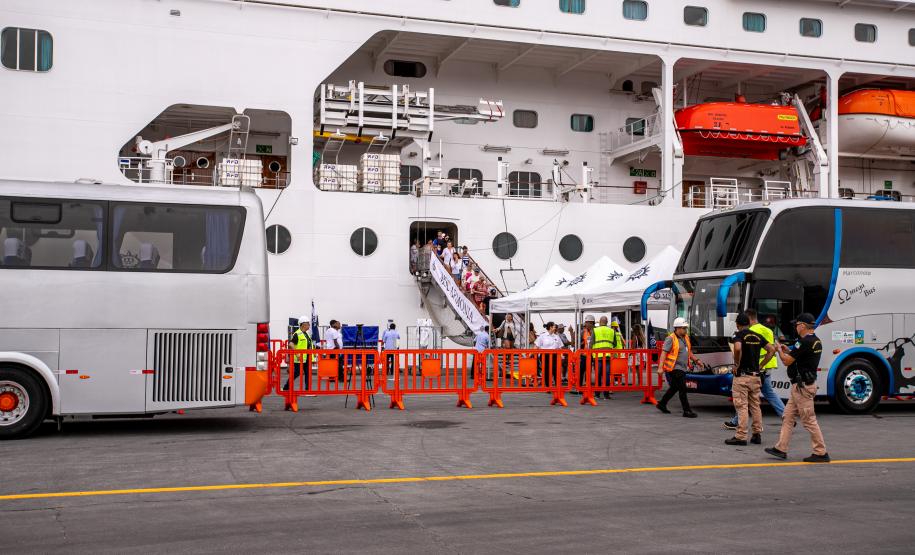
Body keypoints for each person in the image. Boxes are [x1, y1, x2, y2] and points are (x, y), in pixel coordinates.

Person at [765, 313, 830, 463]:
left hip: (802, 388)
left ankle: (821, 452)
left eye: (797, 325)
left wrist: (779, 350)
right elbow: (799, 355)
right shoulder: (815, 341)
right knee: (788, 417)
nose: (795, 327)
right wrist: (787, 349)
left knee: (808, 420)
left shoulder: (804, 342)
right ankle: (781, 448)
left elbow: (787, 361)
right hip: (801, 387)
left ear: (802, 325)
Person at [724, 308, 786, 430]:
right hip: (767, 366)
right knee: (765, 395)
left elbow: (738, 349)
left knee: (743, 397)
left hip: (753, 368)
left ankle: (739, 425)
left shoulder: (749, 331)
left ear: (749, 319)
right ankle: (785, 417)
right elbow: (773, 347)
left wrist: (737, 364)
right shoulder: (767, 329)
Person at [656, 317, 702, 417]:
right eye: (684, 328)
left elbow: (688, 351)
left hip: (682, 367)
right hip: (675, 368)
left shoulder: (685, 338)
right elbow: (663, 353)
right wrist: (660, 368)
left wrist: (696, 360)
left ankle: (662, 403)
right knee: (682, 388)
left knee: (675, 387)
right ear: (677, 328)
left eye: (686, 328)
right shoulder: (670, 339)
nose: (686, 330)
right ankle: (687, 410)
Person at [284, 318, 314, 391]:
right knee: (296, 373)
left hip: (307, 357)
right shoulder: (297, 334)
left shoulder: (306, 334)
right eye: (308, 324)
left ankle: (308, 390)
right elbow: (291, 344)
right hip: (300, 358)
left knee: (308, 373)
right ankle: (286, 387)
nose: (309, 325)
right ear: (303, 324)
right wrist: (297, 354)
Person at [535, 322, 564, 386]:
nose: (555, 327)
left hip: (554, 355)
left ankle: (557, 386)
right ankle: (548, 386)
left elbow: (560, 347)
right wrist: (532, 354)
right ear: (550, 327)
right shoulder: (542, 336)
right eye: (554, 326)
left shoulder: (557, 336)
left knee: (555, 369)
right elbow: (536, 346)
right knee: (546, 370)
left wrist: (561, 355)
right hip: (545, 356)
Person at [577, 315, 596, 394]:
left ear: (592, 323)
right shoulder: (583, 332)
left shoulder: (595, 331)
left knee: (589, 371)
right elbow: (579, 342)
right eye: (586, 323)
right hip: (584, 355)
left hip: (593, 354)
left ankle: (588, 387)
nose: (586, 324)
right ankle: (580, 387)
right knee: (581, 371)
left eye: (588, 323)